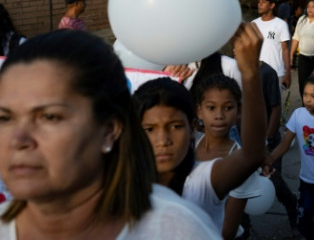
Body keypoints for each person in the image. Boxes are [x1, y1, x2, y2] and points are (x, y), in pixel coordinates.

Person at [0, 30, 220, 238]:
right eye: (5, 118)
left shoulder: (177, 231)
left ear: (109, 130)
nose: (18, 140)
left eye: (49, 117)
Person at [134, 23, 266, 232]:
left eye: (176, 126)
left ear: (192, 124)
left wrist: (250, 74)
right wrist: (169, 79)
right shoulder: (126, 184)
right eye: (149, 129)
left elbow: (252, 155)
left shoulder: (200, 183)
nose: (163, 140)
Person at [265, 74, 314, 240]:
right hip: (305, 181)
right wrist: (269, 159)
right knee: (303, 223)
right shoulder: (298, 115)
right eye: (305, 95)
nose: (308, 100)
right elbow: (284, 144)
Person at [191, 74, 262, 239]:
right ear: (199, 111)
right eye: (211, 107)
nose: (219, 115)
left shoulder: (241, 164)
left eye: (228, 108)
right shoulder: (190, 146)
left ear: (239, 111)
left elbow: (227, 231)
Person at [252, 0, 291, 88]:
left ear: (272, 5)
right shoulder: (253, 24)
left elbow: (285, 49)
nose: (259, 4)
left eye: (263, 2)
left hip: (276, 73)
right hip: (257, 73)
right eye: (259, 2)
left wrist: (288, 73)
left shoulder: (281, 24)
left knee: (275, 102)